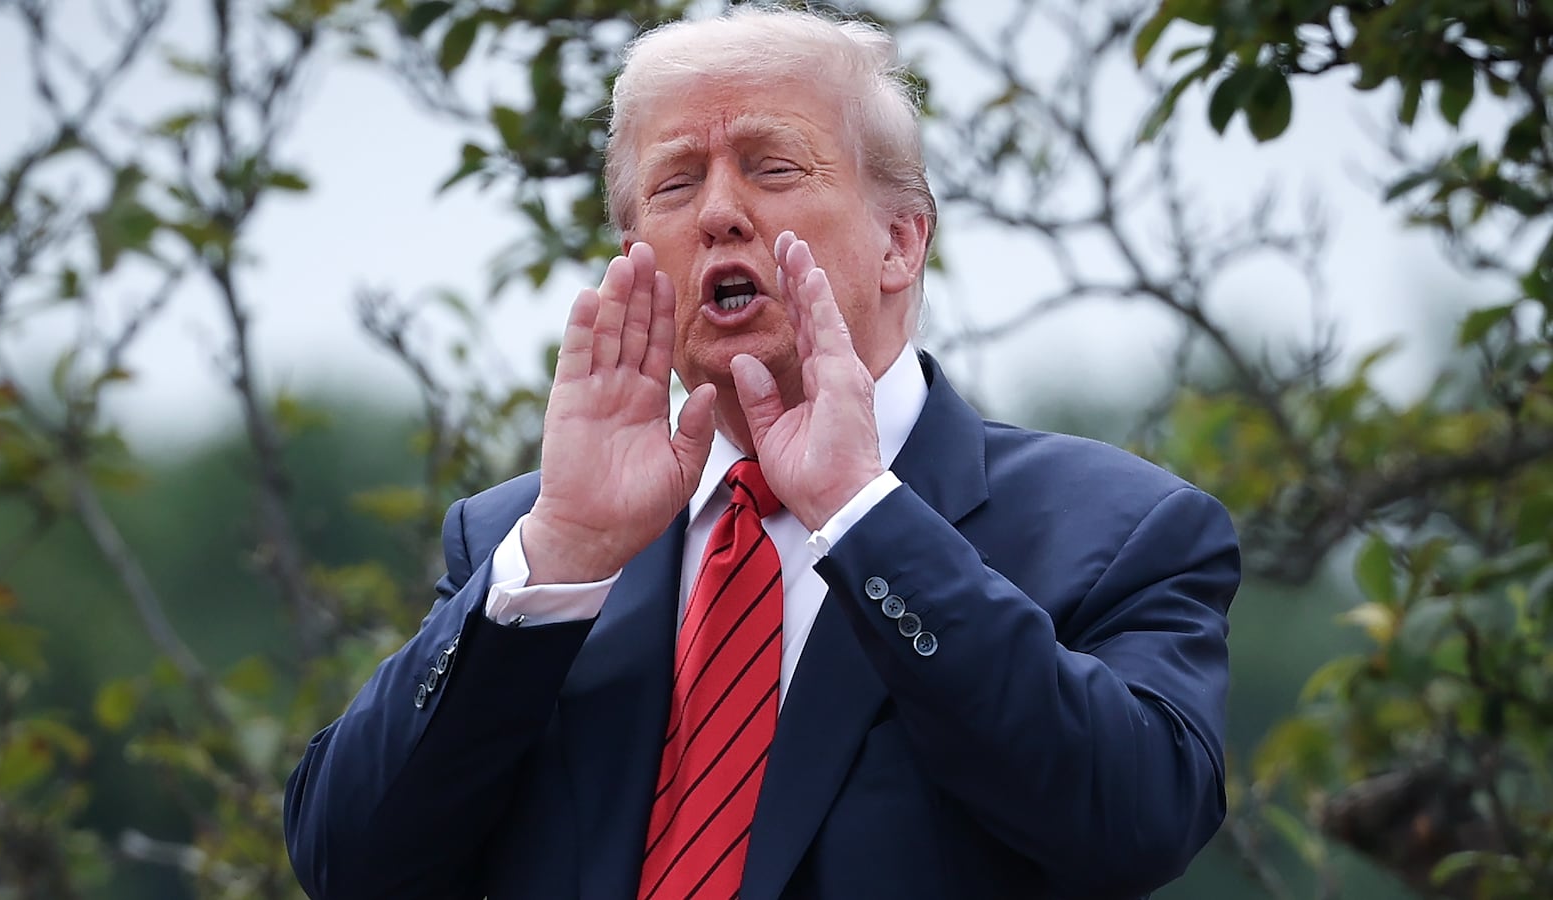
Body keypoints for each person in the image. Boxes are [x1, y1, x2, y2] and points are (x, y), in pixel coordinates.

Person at [282, 6, 1240, 899]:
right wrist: (563, 554)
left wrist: (864, 515)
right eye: (675, 181)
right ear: (633, 254)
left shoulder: (1117, 532)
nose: (718, 214)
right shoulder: (525, 550)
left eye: (773, 167)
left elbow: (1137, 819)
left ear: (901, 241)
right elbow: (348, 861)